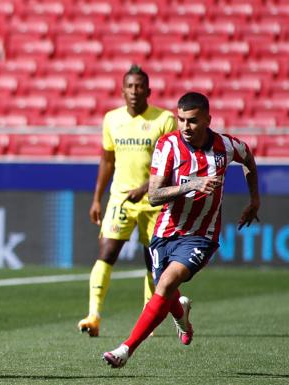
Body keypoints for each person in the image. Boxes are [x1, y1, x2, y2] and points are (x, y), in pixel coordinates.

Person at [103, 92, 260, 368]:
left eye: (193, 121)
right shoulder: (168, 146)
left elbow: (248, 158)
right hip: (165, 230)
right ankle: (182, 316)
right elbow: (153, 196)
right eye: (181, 120)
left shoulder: (225, 146)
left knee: (164, 284)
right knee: (165, 285)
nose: (186, 127)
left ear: (208, 120)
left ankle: (125, 349)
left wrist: (254, 200)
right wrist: (191, 184)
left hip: (201, 234)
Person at [78, 65, 177, 337]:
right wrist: (97, 198)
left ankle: (150, 317)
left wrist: (146, 187)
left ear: (149, 90)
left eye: (140, 86)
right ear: (122, 91)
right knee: (106, 253)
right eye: (130, 87)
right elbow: (107, 160)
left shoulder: (165, 120)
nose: (135, 91)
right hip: (120, 199)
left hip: (155, 201)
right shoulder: (112, 119)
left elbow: (172, 164)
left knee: (152, 261)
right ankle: (93, 315)